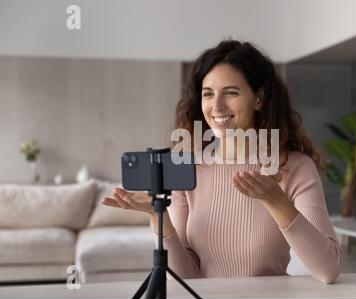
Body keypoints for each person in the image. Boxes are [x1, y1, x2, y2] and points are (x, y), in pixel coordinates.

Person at [102, 40, 342, 284]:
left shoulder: (294, 167)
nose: (216, 106)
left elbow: (327, 270)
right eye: (208, 94)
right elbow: (185, 277)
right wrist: (158, 217)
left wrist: (276, 201)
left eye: (230, 92)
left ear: (258, 98)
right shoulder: (187, 167)